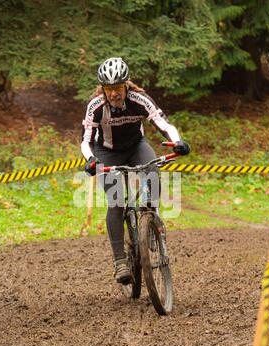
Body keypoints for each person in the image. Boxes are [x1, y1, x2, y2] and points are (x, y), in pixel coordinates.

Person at [81, 57, 190, 284]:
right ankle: (120, 261)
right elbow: (86, 140)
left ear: (126, 85)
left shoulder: (139, 99)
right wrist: (90, 159)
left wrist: (178, 141)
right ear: (103, 89)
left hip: (135, 147)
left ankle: (150, 221)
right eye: (108, 89)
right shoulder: (96, 106)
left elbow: (162, 123)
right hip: (107, 152)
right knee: (117, 200)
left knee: (152, 171)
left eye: (118, 87)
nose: (114, 93)